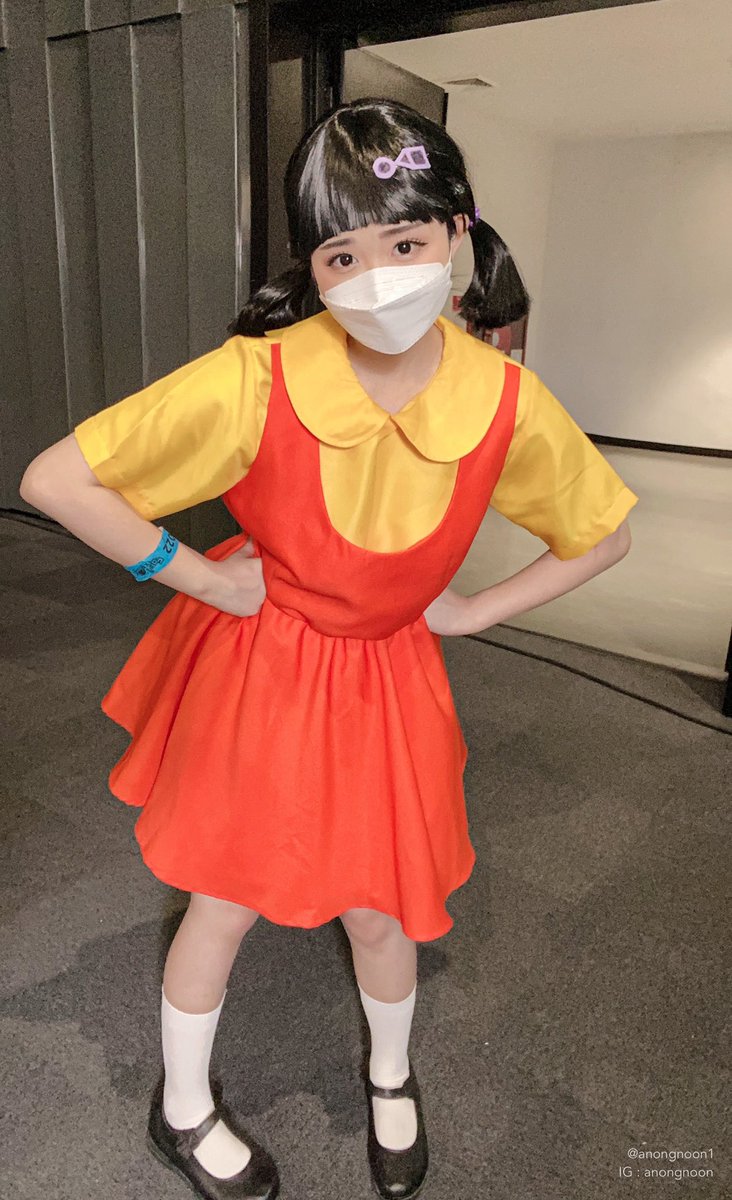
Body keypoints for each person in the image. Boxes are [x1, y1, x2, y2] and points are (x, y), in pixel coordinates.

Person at [20, 97, 639, 1200]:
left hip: (391, 676)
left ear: (457, 233)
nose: (377, 279)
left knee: (384, 902)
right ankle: (182, 1105)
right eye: (342, 256)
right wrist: (205, 577)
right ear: (313, 268)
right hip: (265, 668)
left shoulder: (505, 398)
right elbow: (57, 480)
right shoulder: (259, 375)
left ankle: (391, 1075)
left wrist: (470, 613)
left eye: (405, 243)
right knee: (225, 899)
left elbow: (603, 533)